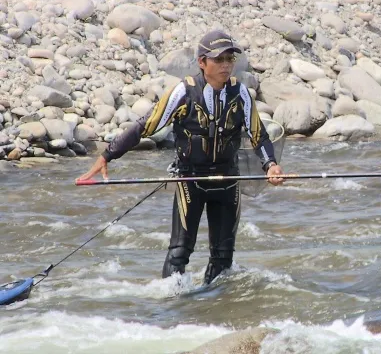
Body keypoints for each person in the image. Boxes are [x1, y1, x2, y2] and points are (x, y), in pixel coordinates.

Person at [77, 30, 285, 285]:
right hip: (191, 181)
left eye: (230, 59)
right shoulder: (183, 92)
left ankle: (212, 309)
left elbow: (259, 136)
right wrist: (108, 155)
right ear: (202, 62)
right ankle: (171, 307)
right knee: (179, 253)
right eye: (219, 60)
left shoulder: (240, 93)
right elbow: (146, 126)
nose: (226, 65)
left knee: (223, 256)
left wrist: (271, 166)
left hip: (228, 180)